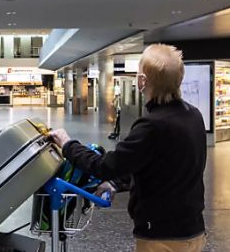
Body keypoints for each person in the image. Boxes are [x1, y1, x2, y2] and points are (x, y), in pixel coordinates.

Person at [49, 44, 207, 252]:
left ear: (142, 81)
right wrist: (116, 183)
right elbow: (161, 166)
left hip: (162, 238)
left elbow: (103, 166)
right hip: (192, 230)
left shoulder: (152, 125)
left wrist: (68, 144)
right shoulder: (193, 115)